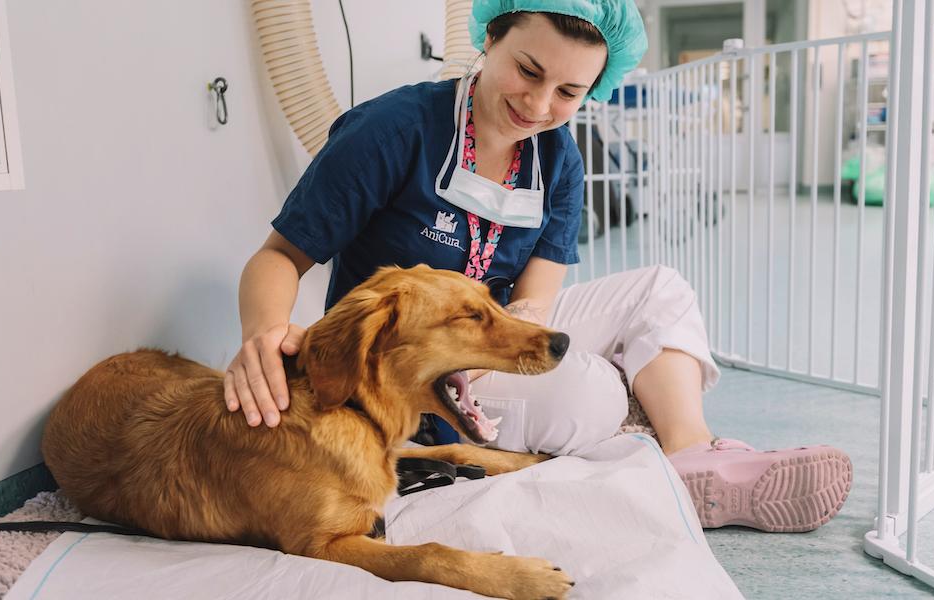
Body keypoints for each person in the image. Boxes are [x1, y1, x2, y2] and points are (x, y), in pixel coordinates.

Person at [225, 0, 851, 532]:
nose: (539, 103)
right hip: (407, 368)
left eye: (569, 92)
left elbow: (532, 307)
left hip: (488, 340)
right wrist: (263, 332)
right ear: (490, 37)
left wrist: (509, 350)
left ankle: (688, 454)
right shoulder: (392, 132)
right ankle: (631, 410)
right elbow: (279, 256)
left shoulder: (559, 163)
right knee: (588, 395)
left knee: (663, 289)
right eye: (528, 70)